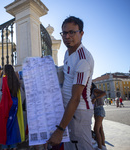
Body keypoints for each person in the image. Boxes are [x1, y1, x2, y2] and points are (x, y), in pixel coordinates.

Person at [47, 16, 94, 150]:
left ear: (81, 33)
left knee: (82, 147)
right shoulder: (68, 53)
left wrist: (60, 130)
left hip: (78, 111)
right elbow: (66, 74)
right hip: (68, 111)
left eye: (72, 32)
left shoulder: (83, 59)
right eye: (65, 33)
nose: (67, 36)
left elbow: (75, 98)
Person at [0, 64, 25, 150]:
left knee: (4, 124)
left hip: (5, 104)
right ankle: (13, 145)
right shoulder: (16, 80)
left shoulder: (2, 79)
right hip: (14, 104)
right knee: (13, 124)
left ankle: (5, 146)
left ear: (5, 71)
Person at [91, 83, 107, 150]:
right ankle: (103, 145)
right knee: (100, 129)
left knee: (96, 129)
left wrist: (95, 98)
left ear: (91, 85)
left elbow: (104, 93)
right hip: (98, 110)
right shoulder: (92, 91)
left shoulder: (94, 90)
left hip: (99, 109)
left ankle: (100, 147)